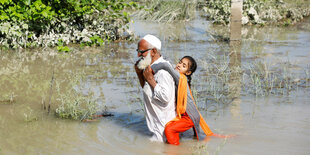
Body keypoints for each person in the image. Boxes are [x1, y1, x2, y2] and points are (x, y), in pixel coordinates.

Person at [151, 56, 215, 145]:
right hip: (193, 115)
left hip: (190, 117)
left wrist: (150, 69)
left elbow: (166, 65)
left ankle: (175, 150)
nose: (179, 65)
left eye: (184, 65)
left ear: (188, 72)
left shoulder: (180, 77)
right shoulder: (183, 80)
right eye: (180, 62)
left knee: (169, 129)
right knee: (198, 139)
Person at [134, 34, 177, 142]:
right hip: (157, 129)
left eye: (142, 51)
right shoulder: (151, 68)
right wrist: (140, 74)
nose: (139, 54)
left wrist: (151, 80)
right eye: (138, 51)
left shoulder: (162, 72)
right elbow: (148, 89)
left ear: (153, 51)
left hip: (163, 133)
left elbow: (165, 97)